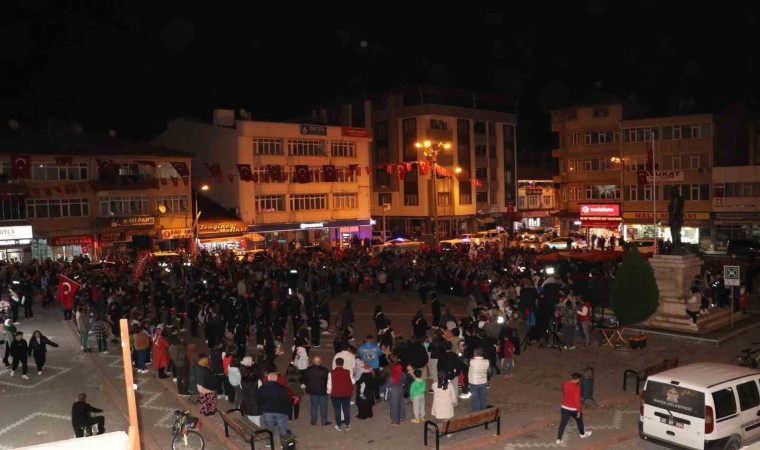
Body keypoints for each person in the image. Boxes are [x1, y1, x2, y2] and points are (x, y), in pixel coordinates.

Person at [556, 372, 593, 445]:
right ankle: (582, 434)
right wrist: (578, 411)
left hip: (564, 408)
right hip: (573, 409)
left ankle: (558, 439)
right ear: (577, 380)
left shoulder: (565, 384)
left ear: (571, 377)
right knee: (579, 421)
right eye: (579, 380)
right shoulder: (577, 388)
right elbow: (577, 401)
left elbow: (568, 387)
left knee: (563, 424)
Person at [258, 372, 293, 441]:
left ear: (268, 378)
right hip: (280, 410)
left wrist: (262, 408)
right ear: (276, 379)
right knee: (282, 426)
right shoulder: (281, 387)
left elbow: (259, 399)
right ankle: (284, 442)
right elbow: (286, 399)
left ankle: (269, 442)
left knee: (269, 427)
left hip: (267, 411)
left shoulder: (262, 388)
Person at [303, 355, 331, 426]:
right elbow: (329, 381)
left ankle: (313, 421)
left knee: (314, 406)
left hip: (312, 391)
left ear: (313, 362)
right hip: (323, 391)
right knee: (323, 407)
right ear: (320, 362)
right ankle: (324, 422)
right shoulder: (325, 370)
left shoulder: (308, 370)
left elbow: (305, 380)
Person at [328, 357, 354, 431]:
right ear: (343, 363)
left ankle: (339, 425)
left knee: (337, 409)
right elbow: (353, 381)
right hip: (346, 393)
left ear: (336, 363)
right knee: (346, 409)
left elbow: (329, 384)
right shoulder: (348, 372)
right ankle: (347, 424)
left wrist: (329, 392)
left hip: (335, 394)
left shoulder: (331, 373)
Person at [240, 358, 262, 426]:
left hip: (246, 403)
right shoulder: (258, 381)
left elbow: (242, 389)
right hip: (255, 404)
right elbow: (260, 392)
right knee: (257, 422)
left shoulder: (242, 380)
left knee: (250, 419)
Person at [468, 348, 489, 412]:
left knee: (475, 399)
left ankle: (476, 413)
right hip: (483, 381)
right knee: (483, 398)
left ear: (475, 353)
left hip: (474, 382)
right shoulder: (487, 361)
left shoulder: (472, 361)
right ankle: (483, 411)